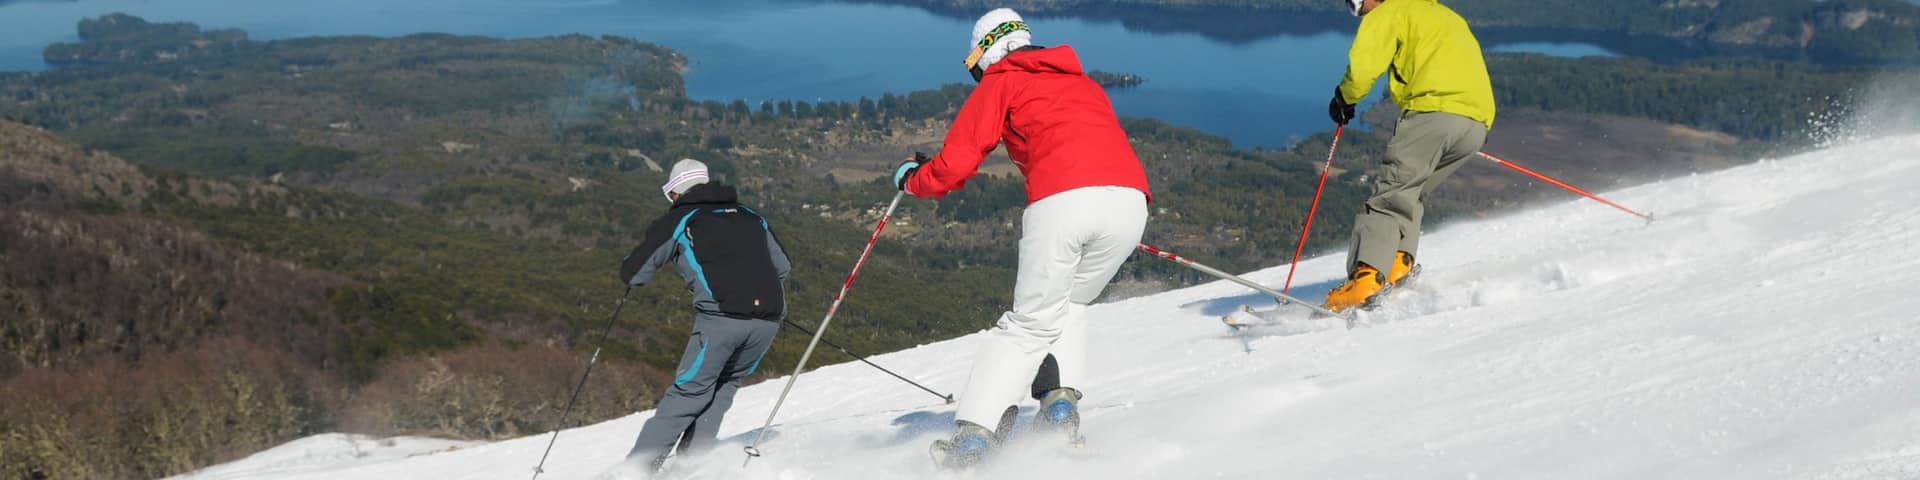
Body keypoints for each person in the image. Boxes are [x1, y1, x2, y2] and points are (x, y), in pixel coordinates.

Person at [892, 8, 1152, 467]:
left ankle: (972, 440)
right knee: (1067, 305)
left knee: (1029, 324)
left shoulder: (1003, 80)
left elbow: (955, 163)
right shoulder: (1082, 82)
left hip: (1064, 203)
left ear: (987, 52)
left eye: (977, 66)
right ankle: (1058, 411)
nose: (979, 75)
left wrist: (913, 181)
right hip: (1131, 202)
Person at [1322, 0, 1495, 312]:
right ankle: (1398, 265)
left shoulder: (1390, 12)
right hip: (1476, 124)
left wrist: (1344, 98)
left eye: (1354, 3)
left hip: (1432, 113)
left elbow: (1363, 67)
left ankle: (1365, 281)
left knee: (1389, 196)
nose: (1356, 10)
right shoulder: (1445, 15)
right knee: (1410, 192)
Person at [618, 159, 790, 471]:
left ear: (675, 193)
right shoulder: (752, 216)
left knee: (688, 393)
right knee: (723, 387)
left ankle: (635, 472)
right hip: (768, 320)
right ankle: (689, 468)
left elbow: (635, 273)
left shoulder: (682, 219)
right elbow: (783, 267)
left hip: (721, 320)